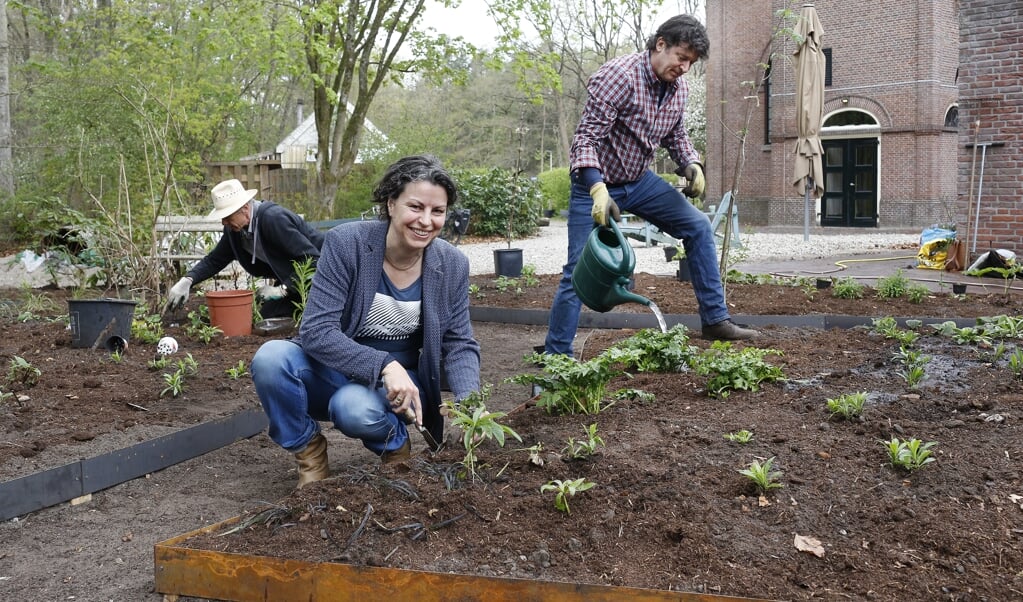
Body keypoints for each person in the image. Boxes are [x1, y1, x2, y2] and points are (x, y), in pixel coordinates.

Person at [250, 155, 481, 488]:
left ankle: (395, 446)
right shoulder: (349, 244)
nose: (426, 221)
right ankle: (309, 451)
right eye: (415, 207)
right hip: (334, 366)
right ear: (391, 204)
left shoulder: (452, 264)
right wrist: (385, 364)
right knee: (270, 359)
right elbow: (316, 331)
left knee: (353, 408)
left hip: (400, 384)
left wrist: (469, 406)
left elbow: (459, 342)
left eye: (438, 211)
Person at [543, 14, 758, 356]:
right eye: (681, 58)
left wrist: (692, 163)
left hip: (638, 181)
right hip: (594, 186)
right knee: (578, 268)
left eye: (691, 62)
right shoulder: (618, 77)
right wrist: (597, 187)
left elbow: (676, 135)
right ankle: (557, 354)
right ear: (661, 44)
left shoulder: (678, 88)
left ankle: (715, 321)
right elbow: (585, 140)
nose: (685, 68)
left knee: (699, 227)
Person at [164, 178, 325, 319]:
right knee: (266, 315)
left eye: (227, 216)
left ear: (245, 209)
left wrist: (282, 290)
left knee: (288, 317)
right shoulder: (235, 231)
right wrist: (187, 280)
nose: (224, 222)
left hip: (327, 275)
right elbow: (215, 260)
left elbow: (313, 259)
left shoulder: (273, 219)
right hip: (296, 280)